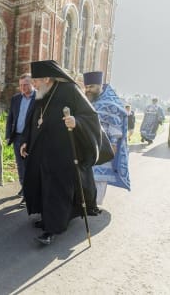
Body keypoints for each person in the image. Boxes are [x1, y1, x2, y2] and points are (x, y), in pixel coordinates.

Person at [20, 60, 102, 245]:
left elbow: (90, 116)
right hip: (40, 151)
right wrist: (26, 140)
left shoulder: (69, 90)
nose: (34, 85)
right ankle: (47, 219)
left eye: (36, 81)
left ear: (47, 78)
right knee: (42, 187)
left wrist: (76, 122)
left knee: (55, 191)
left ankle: (52, 229)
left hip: (61, 153)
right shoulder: (42, 93)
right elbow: (33, 118)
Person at [84, 71, 131, 206]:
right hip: (88, 144)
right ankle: (88, 201)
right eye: (86, 87)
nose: (88, 90)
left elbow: (115, 125)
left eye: (91, 87)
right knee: (89, 174)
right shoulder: (89, 100)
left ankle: (95, 203)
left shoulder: (111, 102)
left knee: (100, 175)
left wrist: (113, 145)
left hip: (104, 144)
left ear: (99, 85)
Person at [5, 73, 36, 206]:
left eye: (26, 84)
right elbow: (10, 118)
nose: (23, 87)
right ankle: (25, 188)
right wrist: (7, 135)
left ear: (32, 83)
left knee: (29, 166)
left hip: (31, 139)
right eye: (21, 85)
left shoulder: (40, 98)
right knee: (20, 166)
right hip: (17, 137)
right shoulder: (16, 98)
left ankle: (28, 194)